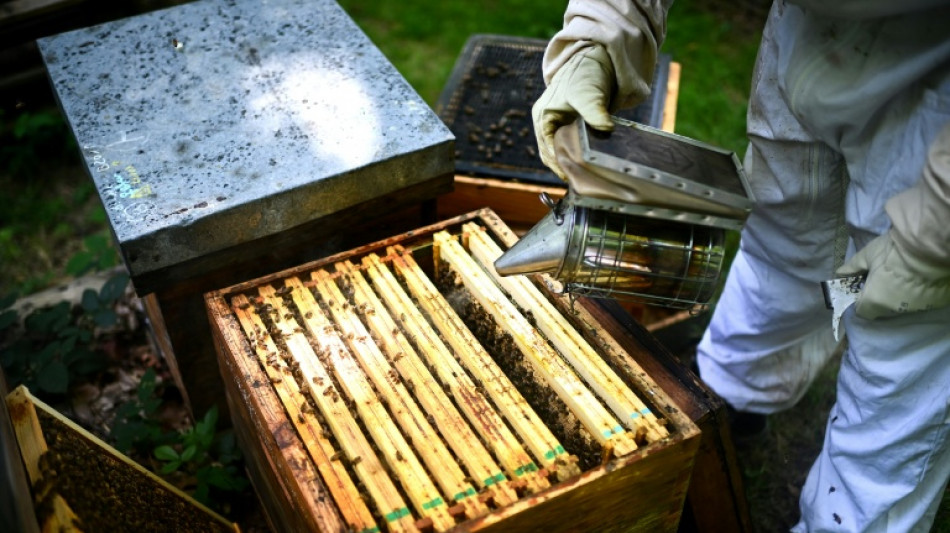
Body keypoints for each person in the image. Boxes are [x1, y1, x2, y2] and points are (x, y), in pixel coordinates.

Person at [532, 1, 950, 531]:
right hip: (805, 33)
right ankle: (738, 396)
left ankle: (846, 519)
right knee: (785, 232)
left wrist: (933, 235)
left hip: (938, 81)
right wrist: (597, 40)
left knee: (906, 321)